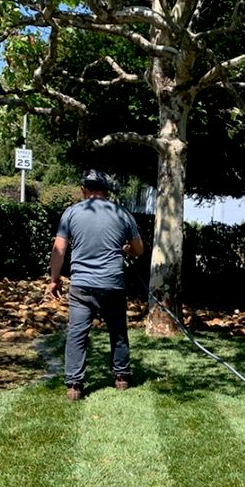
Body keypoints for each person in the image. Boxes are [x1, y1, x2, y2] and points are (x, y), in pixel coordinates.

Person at [48, 170, 145, 399]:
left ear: (84, 189)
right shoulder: (122, 213)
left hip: (81, 285)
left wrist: (53, 280)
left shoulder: (71, 213)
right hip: (112, 283)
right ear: (106, 191)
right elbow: (139, 250)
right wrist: (127, 249)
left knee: (77, 334)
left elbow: (59, 249)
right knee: (118, 332)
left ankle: (74, 385)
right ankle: (121, 378)